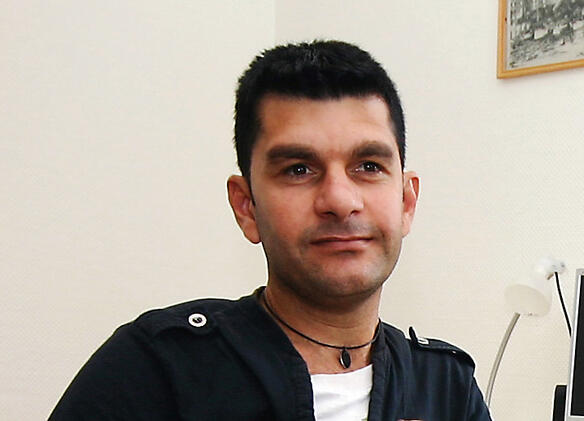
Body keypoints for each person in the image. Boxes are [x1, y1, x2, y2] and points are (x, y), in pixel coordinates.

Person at [50, 40, 492, 421]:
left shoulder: (446, 387)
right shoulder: (157, 367)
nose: (340, 200)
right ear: (247, 207)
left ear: (406, 202)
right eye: (299, 169)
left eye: (368, 166)